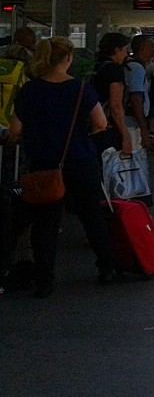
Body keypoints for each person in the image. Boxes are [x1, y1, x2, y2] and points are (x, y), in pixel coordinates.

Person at [6, 37, 114, 296]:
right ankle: (107, 269)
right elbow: (100, 123)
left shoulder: (29, 90)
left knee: (45, 225)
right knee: (92, 216)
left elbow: (15, 131)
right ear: (68, 59)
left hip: (43, 167)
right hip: (80, 162)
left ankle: (45, 282)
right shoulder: (81, 90)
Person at [89, 31, 132, 158]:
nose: (127, 54)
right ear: (117, 50)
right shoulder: (114, 70)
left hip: (89, 126)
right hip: (107, 128)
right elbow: (115, 106)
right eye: (125, 50)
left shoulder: (94, 66)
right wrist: (125, 135)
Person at [125, 34, 154, 152]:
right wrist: (144, 128)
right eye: (152, 46)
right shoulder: (136, 68)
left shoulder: (133, 66)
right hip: (132, 123)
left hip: (132, 121)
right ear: (142, 49)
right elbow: (136, 98)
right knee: (133, 158)